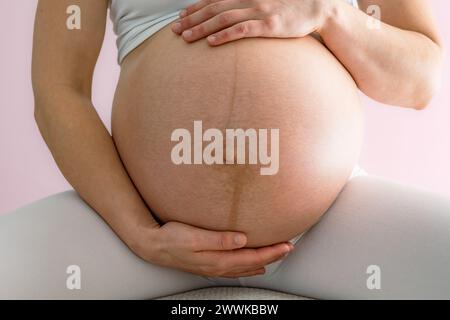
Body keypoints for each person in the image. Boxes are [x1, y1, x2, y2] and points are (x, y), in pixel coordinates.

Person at [1, 0, 448, 299]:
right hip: (136, 229)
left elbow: (419, 81)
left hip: (328, 224)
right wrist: (141, 233)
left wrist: (332, 15)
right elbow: (59, 89)